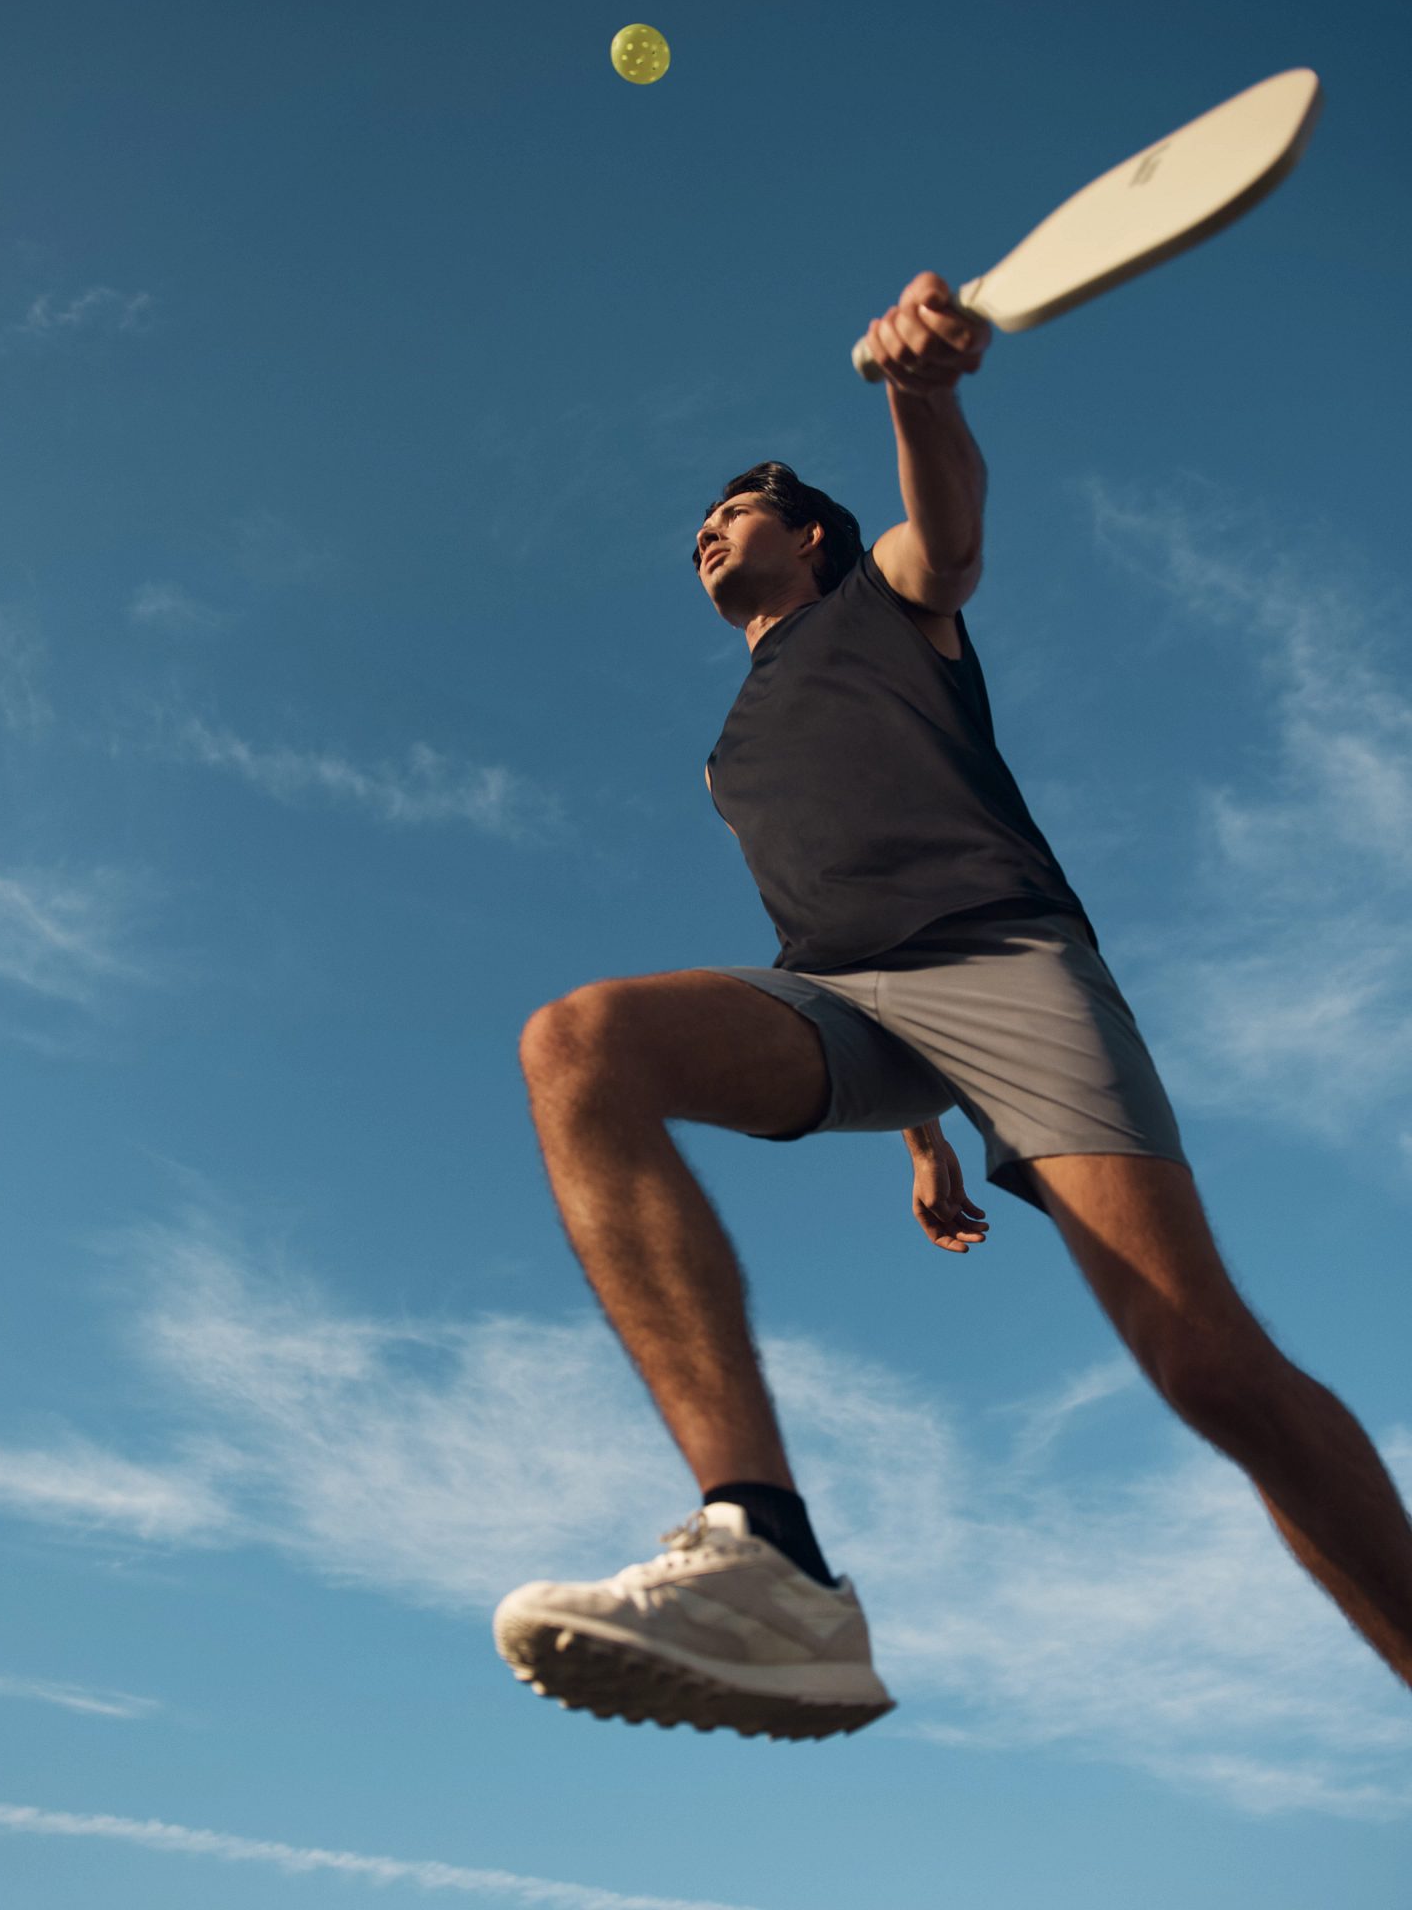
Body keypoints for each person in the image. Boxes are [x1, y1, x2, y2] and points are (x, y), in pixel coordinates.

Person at [493, 273, 1412, 1740]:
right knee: (583, 1041)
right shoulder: (733, 744)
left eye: (734, 513)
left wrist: (920, 391)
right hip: (845, 998)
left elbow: (954, 535)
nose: (705, 535)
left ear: (810, 536)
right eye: (696, 531)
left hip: (1002, 960)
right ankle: (767, 1554)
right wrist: (918, 1143)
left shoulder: (882, 606)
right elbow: (832, 928)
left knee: (1209, 1367)